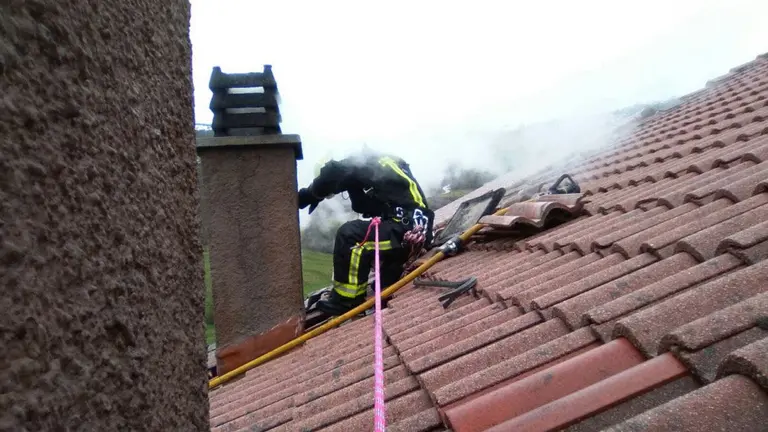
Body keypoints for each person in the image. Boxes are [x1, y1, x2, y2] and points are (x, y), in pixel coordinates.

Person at [298, 148, 434, 315]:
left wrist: (309, 194)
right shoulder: (379, 164)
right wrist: (353, 188)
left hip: (407, 231)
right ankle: (389, 274)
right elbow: (365, 205)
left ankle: (347, 300)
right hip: (415, 229)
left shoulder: (356, 163)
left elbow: (332, 172)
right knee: (383, 276)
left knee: (351, 235)